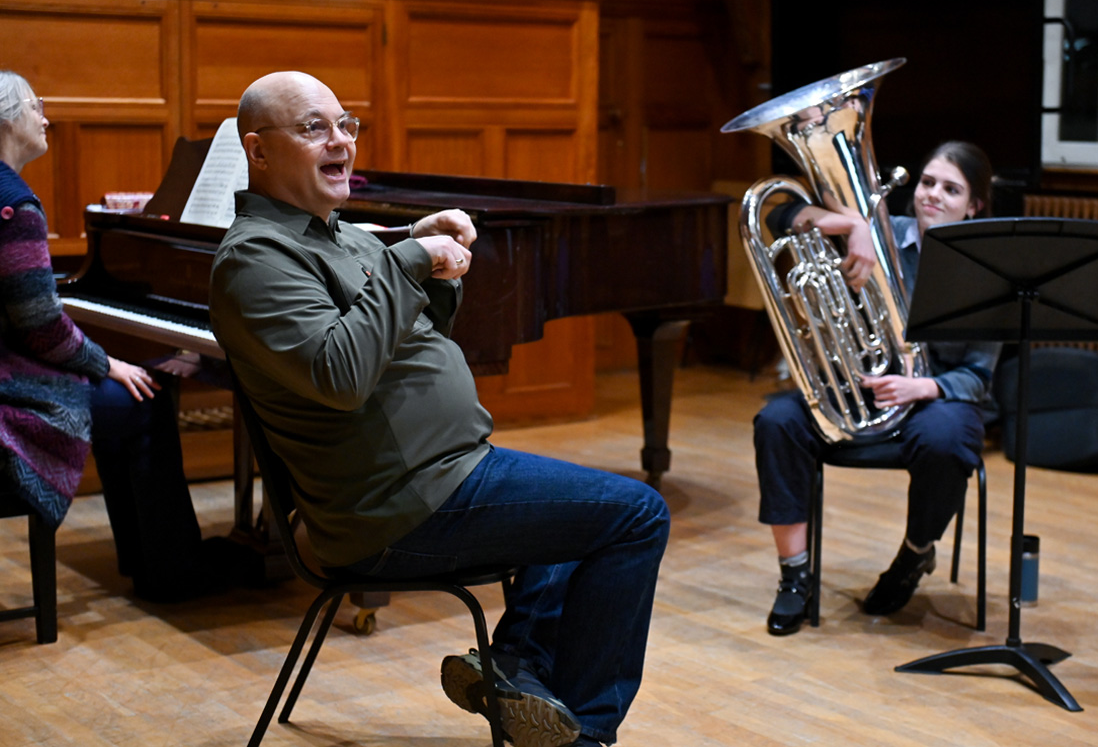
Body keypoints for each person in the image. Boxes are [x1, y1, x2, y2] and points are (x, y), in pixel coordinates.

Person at [209, 71, 670, 747]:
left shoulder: (331, 234)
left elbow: (408, 332)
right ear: (259, 150)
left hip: (444, 477)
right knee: (635, 515)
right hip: (394, 509)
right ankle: (586, 731)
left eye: (346, 125)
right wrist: (409, 261)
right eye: (314, 129)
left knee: (583, 507)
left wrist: (424, 253)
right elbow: (341, 376)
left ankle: (515, 668)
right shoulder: (255, 259)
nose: (339, 141)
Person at [0, 70, 241, 603]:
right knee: (143, 396)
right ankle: (173, 571)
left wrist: (99, 362)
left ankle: (145, 558)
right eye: (36, 107)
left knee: (125, 390)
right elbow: (42, 328)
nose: (46, 118)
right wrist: (106, 363)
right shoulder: (16, 206)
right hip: (9, 398)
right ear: (9, 120)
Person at [755, 140, 1002, 636]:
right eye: (928, 182)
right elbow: (778, 215)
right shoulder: (879, 235)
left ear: (973, 206)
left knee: (946, 440)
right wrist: (850, 225)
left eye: (950, 190)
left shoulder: (987, 268)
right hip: (859, 390)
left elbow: (979, 374)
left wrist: (923, 388)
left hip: (935, 399)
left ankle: (913, 557)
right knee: (776, 421)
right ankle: (795, 576)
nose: (932, 195)